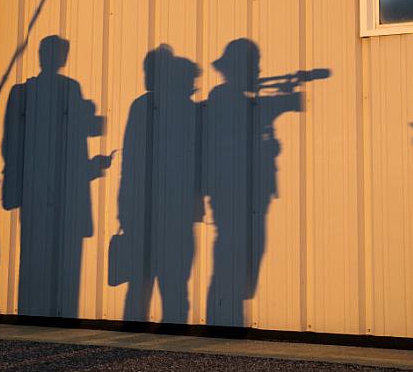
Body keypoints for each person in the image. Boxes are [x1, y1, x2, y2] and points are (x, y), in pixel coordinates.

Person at [1, 36, 112, 317]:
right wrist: (92, 165)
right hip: (55, 184)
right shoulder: (67, 89)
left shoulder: (29, 92)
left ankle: (30, 308)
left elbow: (9, 143)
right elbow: (73, 139)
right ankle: (59, 308)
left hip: (37, 182)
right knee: (64, 251)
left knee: (35, 246)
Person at [203, 39, 302, 326]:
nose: (256, 70)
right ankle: (223, 317)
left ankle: (231, 312)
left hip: (251, 188)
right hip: (229, 187)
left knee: (247, 247)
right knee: (231, 248)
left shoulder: (245, 99)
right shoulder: (223, 96)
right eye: (252, 65)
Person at [116, 45, 203, 323]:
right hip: (165, 207)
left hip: (154, 206)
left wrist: (125, 206)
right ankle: (171, 336)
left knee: (145, 280)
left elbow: (130, 162)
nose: (146, 75)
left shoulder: (145, 107)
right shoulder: (181, 109)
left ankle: (138, 337)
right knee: (171, 280)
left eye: (150, 70)